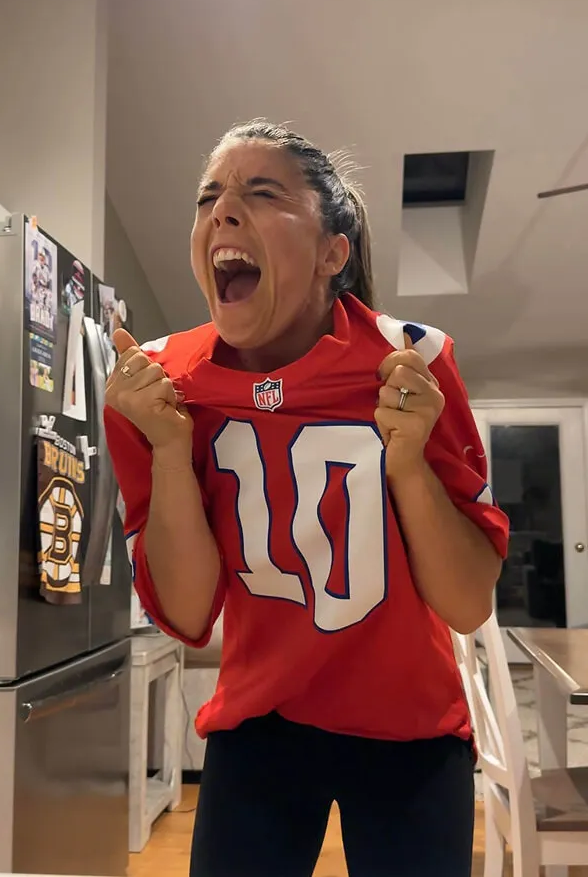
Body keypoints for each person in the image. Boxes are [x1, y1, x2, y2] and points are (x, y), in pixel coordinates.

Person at [104, 120, 509, 877]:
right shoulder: (159, 385)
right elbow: (190, 617)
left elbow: (467, 603)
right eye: (208, 197)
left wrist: (412, 465)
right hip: (261, 722)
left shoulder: (413, 361)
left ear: (333, 253)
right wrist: (166, 447)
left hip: (411, 727)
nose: (222, 212)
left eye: (260, 193)